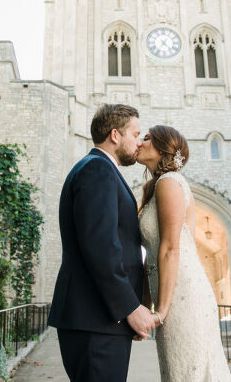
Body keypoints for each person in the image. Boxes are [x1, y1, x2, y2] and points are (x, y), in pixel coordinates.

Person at [48, 104, 157, 382]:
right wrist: (130, 307)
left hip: (99, 318)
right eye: (135, 133)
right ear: (115, 135)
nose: (139, 142)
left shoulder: (98, 169)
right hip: (95, 319)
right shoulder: (97, 170)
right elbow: (101, 248)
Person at [137, 125, 231, 381]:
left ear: (162, 148)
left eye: (147, 138)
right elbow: (151, 255)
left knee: (189, 370)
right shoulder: (156, 187)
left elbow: (171, 247)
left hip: (183, 298)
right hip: (171, 294)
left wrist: (162, 310)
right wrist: (146, 305)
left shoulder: (169, 182)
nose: (140, 141)